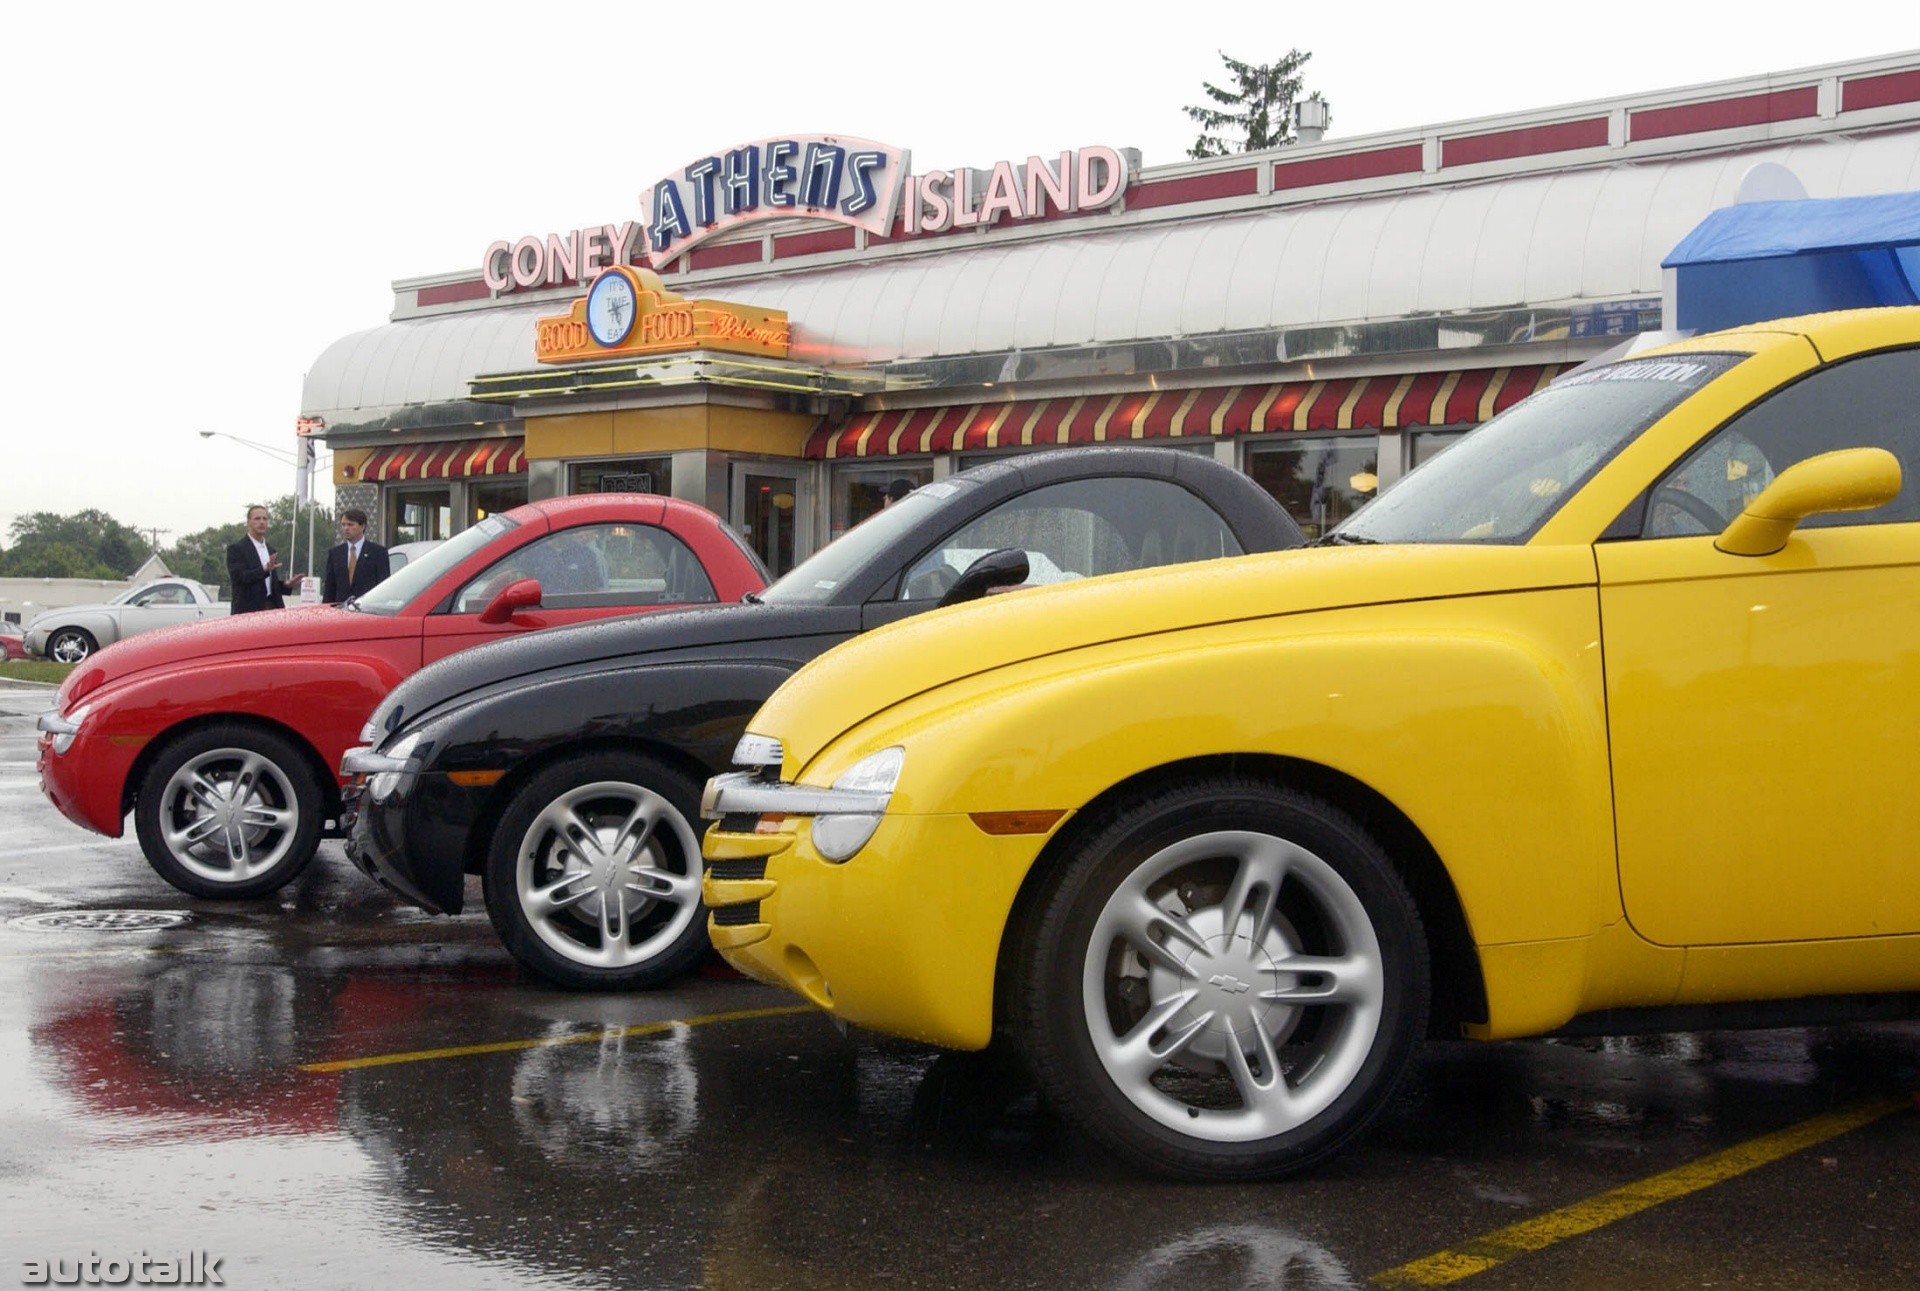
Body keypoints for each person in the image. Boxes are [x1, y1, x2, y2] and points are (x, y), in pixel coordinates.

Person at [225, 504, 294, 614]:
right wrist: (264, 569)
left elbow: (269, 585)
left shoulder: (271, 550)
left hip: (272, 609)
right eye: (257, 519)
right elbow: (240, 578)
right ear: (248, 522)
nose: (261, 522)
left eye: (264, 519)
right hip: (248, 612)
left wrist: (286, 585)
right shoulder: (237, 549)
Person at [321, 508, 391, 604]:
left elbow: (384, 586)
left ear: (362, 526)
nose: (346, 528)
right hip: (341, 612)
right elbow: (329, 588)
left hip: (368, 610)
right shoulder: (335, 554)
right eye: (343, 525)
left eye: (350, 524)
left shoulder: (378, 553)